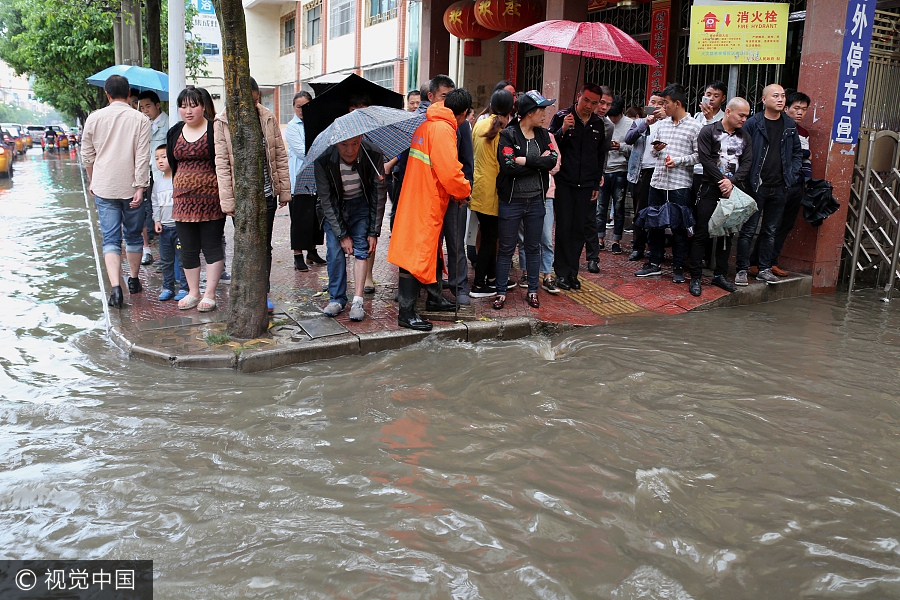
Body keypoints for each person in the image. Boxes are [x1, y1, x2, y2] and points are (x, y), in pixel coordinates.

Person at [388, 88, 473, 331]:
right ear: (464, 112)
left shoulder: (427, 124)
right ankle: (406, 313)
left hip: (418, 197)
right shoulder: (443, 129)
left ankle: (434, 299)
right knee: (415, 256)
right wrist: (464, 191)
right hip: (427, 202)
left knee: (428, 252)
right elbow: (450, 173)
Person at [214, 77, 291, 313]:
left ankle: (262, 293)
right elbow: (222, 163)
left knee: (264, 246)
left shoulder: (267, 116)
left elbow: (279, 154)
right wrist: (228, 201)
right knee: (246, 244)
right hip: (241, 198)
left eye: (254, 97)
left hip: (266, 195)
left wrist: (284, 191)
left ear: (257, 96)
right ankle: (245, 292)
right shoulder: (222, 121)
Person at [81, 74, 151, 308]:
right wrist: (140, 187)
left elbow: (86, 155)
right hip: (131, 188)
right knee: (133, 236)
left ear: (107, 94)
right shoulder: (141, 119)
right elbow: (143, 157)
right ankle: (133, 280)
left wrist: (93, 180)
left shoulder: (94, 118)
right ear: (129, 92)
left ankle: (115, 288)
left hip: (104, 186)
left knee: (110, 238)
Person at [493, 90, 559, 310]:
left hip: (536, 201)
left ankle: (532, 290)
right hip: (512, 201)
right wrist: (535, 162)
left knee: (533, 247)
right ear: (530, 112)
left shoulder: (543, 135)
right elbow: (508, 166)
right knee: (506, 248)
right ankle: (501, 292)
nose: (545, 114)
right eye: (542, 110)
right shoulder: (508, 135)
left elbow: (552, 160)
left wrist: (524, 160)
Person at [735, 84, 803, 285]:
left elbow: (796, 153)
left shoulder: (789, 125)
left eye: (783, 96)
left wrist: (791, 174)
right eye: (776, 96)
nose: (781, 99)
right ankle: (741, 269)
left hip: (780, 186)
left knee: (770, 230)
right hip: (755, 186)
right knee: (748, 230)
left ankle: (764, 268)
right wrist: (745, 178)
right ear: (764, 100)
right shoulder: (753, 123)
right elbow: (740, 151)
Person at [634, 83, 702, 283]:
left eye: (666, 103)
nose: (663, 107)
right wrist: (657, 149)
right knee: (653, 222)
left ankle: (678, 266)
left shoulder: (695, 127)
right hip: (658, 180)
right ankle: (654, 262)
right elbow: (653, 151)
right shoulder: (661, 125)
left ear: (677, 103)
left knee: (679, 226)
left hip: (680, 183)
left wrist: (678, 161)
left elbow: (699, 156)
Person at [314, 135, 386, 321]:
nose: (350, 150)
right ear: (336, 142)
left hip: (361, 205)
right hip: (334, 207)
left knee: (362, 249)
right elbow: (326, 200)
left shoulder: (373, 153)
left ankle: (358, 300)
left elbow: (378, 193)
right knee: (334, 251)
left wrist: (374, 231)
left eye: (355, 144)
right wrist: (342, 235)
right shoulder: (323, 158)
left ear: (360, 140)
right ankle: (337, 298)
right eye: (344, 145)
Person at [166, 86, 224, 312]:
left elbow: (222, 161)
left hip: (211, 200)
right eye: (183, 106)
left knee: (211, 246)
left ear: (203, 106)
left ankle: (209, 294)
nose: (188, 111)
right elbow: (173, 162)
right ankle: (193, 292)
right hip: (182, 201)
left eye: (193, 105)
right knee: (187, 248)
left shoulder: (215, 129)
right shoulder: (175, 132)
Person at [688, 97, 753, 296]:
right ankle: (696, 277)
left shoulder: (745, 136)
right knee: (702, 233)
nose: (744, 119)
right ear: (728, 112)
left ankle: (720, 275)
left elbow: (747, 162)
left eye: (746, 116)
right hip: (709, 187)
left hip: (732, 190)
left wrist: (731, 182)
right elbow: (705, 159)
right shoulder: (709, 131)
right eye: (741, 115)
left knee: (727, 234)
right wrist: (722, 180)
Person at [548, 83, 608, 291]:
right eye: (586, 100)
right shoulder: (563, 117)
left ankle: (573, 271)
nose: (589, 106)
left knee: (579, 230)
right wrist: (563, 129)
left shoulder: (598, 124)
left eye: (594, 102)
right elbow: (549, 145)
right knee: (564, 228)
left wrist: (596, 183)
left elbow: (600, 156)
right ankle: (561, 272)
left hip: (587, 185)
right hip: (565, 183)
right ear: (579, 97)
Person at [752, 90, 812, 278]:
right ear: (786, 109)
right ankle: (756, 263)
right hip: (774, 183)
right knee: (767, 226)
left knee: (784, 225)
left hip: (795, 184)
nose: (800, 112)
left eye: (804, 109)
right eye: (796, 108)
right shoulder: (772, 126)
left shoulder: (801, 132)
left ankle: (771, 262)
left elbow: (801, 158)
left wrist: (799, 177)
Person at [469, 89, 514, 298]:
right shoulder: (501, 130)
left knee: (487, 235)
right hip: (492, 190)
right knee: (490, 238)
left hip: (478, 187)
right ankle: (479, 285)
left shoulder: (479, 123)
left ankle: (493, 278)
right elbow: (503, 163)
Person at [284, 90, 326, 271]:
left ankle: (312, 251)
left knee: (316, 218)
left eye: (306, 106)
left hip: (317, 178)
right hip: (300, 180)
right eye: (298, 106)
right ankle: (297, 255)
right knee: (300, 219)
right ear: (293, 108)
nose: (302, 110)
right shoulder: (292, 127)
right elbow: (303, 151)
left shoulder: (316, 123)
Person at [624, 91, 666, 262]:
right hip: (642, 172)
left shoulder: (668, 124)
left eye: (660, 103)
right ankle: (638, 246)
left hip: (661, 171)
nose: (655, 106)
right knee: (640, 211)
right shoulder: (640, 122)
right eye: (652, 102)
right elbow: (628, 139)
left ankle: (656, 248)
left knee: (658, 212)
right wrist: (645, 125)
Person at [596, 96, 633, 256]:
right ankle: (600, 239)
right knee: (601, 207)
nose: (612, 119)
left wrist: (621, 147)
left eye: (615, 116)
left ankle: (616, 241)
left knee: (618, 207)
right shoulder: (602, 122)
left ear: (622, 112)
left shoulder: (630, 124)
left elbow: (635, 149)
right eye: (610, 116)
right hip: (604, 170)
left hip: (620, 170)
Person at [151, 144, 188, 301]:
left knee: (183, 259)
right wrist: (157, 220)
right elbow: (154, 202)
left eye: (164, 157)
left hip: (179, 227)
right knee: (166, 260)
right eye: (157, 158)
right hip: (165, 229)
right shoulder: (157, 183)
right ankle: (168, 287)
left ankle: (185, 288)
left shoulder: (179, 179)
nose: (160, 161)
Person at [584, 86, 614, 273]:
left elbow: (602, 154)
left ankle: (593, 257)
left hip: (592, 177)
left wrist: (599, 176)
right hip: (572, 176)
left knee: (591, 219)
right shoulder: (573, 118)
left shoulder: (607, 125)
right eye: (601, 102)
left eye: (608, 104)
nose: (603, 107)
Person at [138, 90, 169, 266]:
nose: (145, 110)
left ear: (158, 105)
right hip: (146, 173)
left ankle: (167, 258)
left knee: (163, 212)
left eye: (148, 106)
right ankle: (151, 252)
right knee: (148, 210)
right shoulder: (143, 125)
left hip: (161, 174)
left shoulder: (168, 123)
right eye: (142, 107)